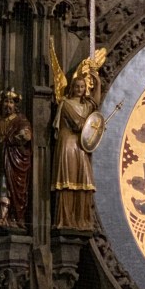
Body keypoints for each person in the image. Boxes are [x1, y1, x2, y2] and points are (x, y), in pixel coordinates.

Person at [52, 65, 102, 231]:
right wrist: (94, 125)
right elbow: (78, 124)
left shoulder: (86, 105)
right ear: (71, 88)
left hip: (80, 145)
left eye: (82, 87)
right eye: (77, 87)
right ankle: (66, 220)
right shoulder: (66, 104)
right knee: (68, 181)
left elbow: (95, 103)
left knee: (84, 180)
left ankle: (82, 220)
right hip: (68, 145)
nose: (80, 90)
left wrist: (97, 82)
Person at [0, 89, 33, 229]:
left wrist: (23, 135)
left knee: (17, 189)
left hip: (16, 159)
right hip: (1, 159)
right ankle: (3, 217)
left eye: (11, 102)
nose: (8, 105)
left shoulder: (20, 120)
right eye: (5, 101)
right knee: (2, 186)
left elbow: (27, 135)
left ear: (15, 105)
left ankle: (16, 217)